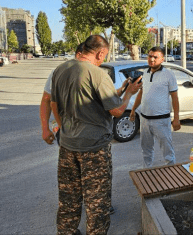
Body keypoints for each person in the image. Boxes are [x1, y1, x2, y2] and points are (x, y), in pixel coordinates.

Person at [49, 35, 141, 235]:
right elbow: (116, 111)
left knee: (68, 197)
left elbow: (54, 104)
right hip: (93, 148)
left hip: (67, 144)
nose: (104, 59)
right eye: (104, 55)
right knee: (96, 201)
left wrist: (64, 127)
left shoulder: (61, 70)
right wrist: (129, 93)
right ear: (100, 52)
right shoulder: (98, 74)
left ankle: (66, 232)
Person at [129, 46, 180, 168]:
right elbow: (142, 93)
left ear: (162, 59)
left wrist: (176, 118)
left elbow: (175, 97)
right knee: (146, 150)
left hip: (162, 120)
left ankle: (171, 172)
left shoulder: (168, 75)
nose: (151, 59)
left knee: (167, 151)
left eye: (155, 57)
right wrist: (133, 110)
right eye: (150, 56)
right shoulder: (145, 74)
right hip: (145, 119)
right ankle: (147, 172)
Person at [40, 43, 85, 145]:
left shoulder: (94, 74)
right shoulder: (58, 73)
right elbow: (46, 100)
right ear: (78, 55)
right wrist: (45, 129)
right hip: (67, 131)